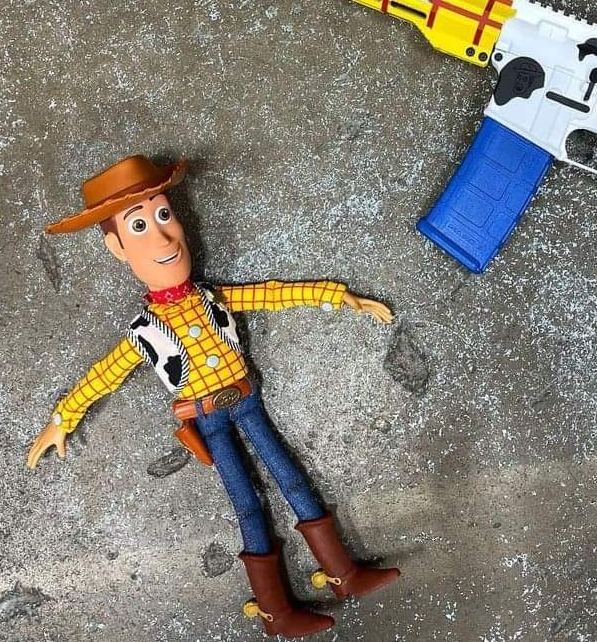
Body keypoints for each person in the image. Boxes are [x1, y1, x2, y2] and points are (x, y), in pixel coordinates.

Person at [27, 154, 400, 636]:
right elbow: (104, 374)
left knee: (291, 478)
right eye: (140, 225)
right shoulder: (145, 331)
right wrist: (63, 418)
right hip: (207, 419)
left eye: (164, 214)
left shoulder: (211, 297)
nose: (164, 238)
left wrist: (334, 295)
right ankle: (276, 611)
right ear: (118, 248)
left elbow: (271, 294)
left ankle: (343, 573)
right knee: (247, 501)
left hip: (246, 401)